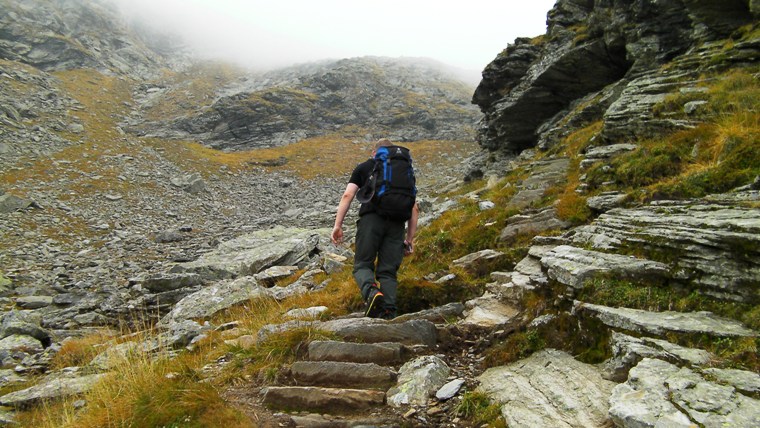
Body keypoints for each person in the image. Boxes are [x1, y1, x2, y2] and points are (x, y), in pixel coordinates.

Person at [331, 138, 419, 320]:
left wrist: (338, 225)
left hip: (371, 220)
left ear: (375, 152)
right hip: (397, 224)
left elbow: (348, 195)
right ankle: (389, 313)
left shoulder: (364, 167)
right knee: (388, 271)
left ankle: (372, 292)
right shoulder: (404, 173)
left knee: (362, 265)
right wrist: (410, 239)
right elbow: (414, 208)